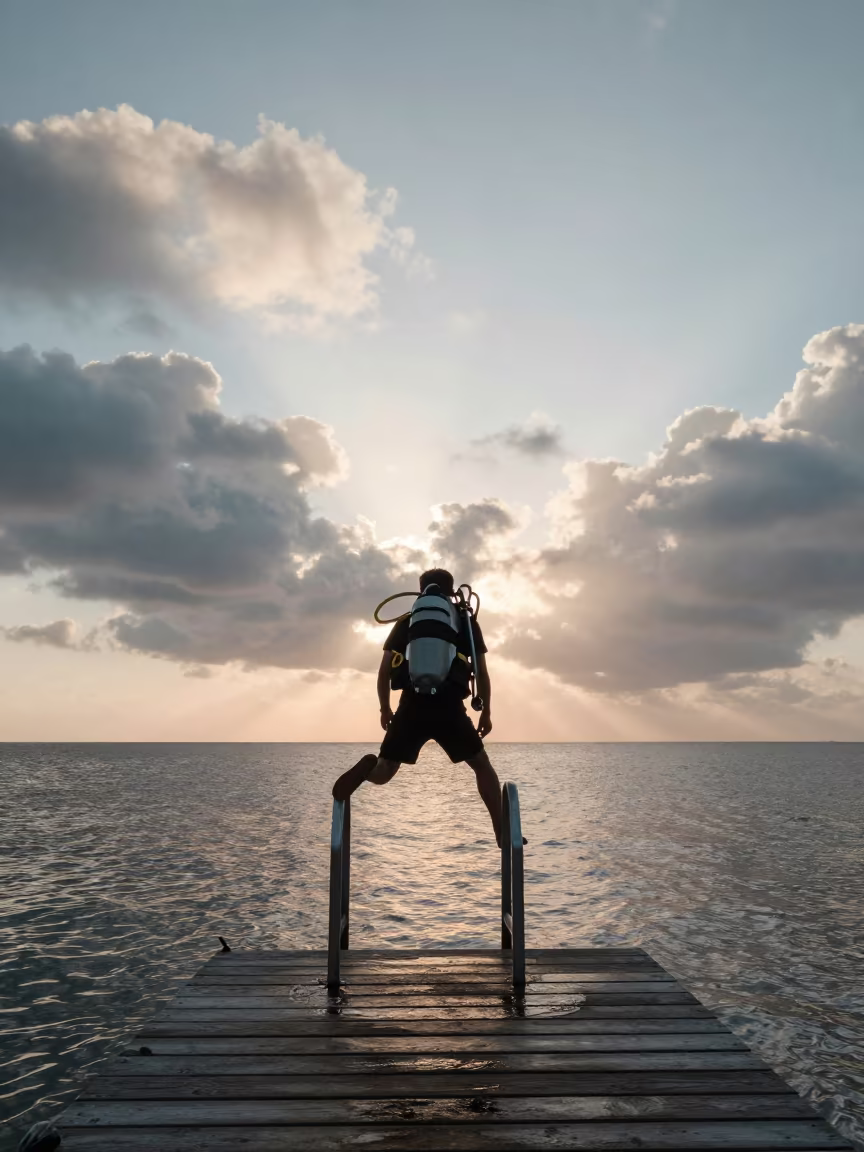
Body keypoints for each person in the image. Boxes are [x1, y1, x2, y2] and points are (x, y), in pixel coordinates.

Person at [332, 568, 512, 848]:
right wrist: (486, 711)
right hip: (449, 706)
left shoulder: (408, 621)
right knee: (481, 766)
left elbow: (383, 671)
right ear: (452, 591)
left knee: (385, 771)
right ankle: (502, 832)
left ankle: (367, 768)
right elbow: (482, 672)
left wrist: (384, 708)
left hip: (411, 704)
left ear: (420, 590)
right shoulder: (464, 620)